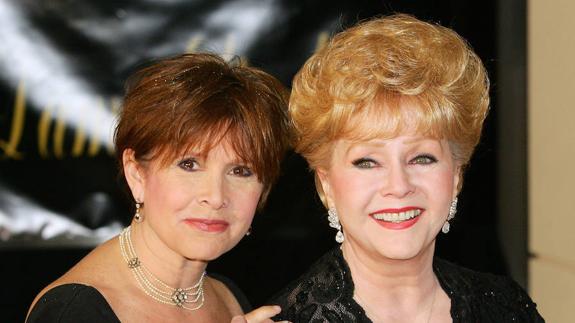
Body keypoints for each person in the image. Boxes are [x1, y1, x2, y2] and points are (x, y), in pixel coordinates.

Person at [271, 14, 544, 322]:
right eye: (368, 162)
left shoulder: (506, 307)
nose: (399, 186)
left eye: (422, 158)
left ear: (456, 175)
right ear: (327, 185)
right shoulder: (291, 319)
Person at [27, 53, 292, 322]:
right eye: (189, 165)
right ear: (136, 174)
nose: (215, 197)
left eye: (240, 171)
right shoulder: (73, 311)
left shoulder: (228, 297)